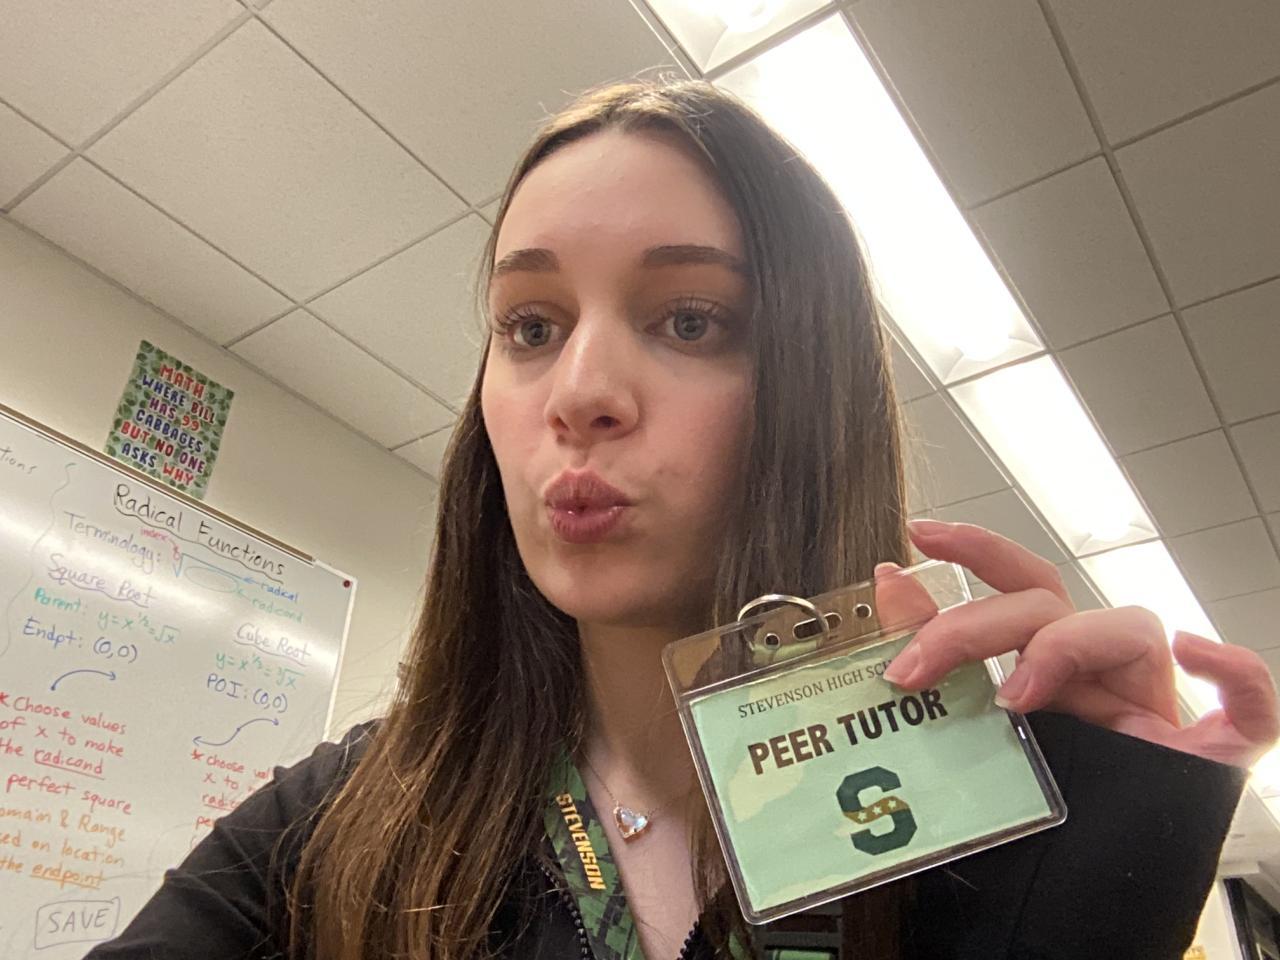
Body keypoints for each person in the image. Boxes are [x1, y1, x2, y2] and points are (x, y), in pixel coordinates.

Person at [83, 78, 1277, 960]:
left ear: (810, 390)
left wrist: (1103, 871)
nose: (579, 394)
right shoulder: (343, 815)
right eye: (531, 326)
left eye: (689, 320)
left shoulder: (966, 815)